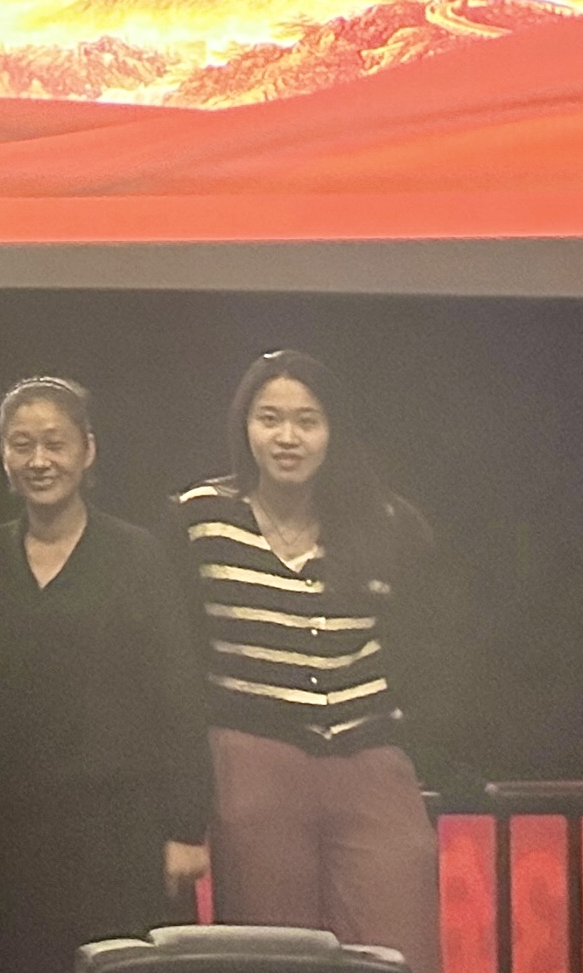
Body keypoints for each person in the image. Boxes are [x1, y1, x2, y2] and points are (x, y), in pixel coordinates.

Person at [180, 351, 447, 973]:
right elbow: (178, 663)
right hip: (252, 757)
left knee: (399, 950)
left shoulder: (387, 523)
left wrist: (420, 741)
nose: (287, 437)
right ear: (244, 426)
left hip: (369, 754)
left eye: (307, 420)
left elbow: (429, 650)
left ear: (333, 431)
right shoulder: (200, 519)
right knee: (271, 954)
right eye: (269, 418)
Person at [0, 378, 213, 973]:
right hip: (17, 829)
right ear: (3, 455)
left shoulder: (138, 555)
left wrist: (186, 828)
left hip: (123, 828)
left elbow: (179, 693)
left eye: (55, 443)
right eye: (22, 444)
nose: (39, 460)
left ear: (88, 450)